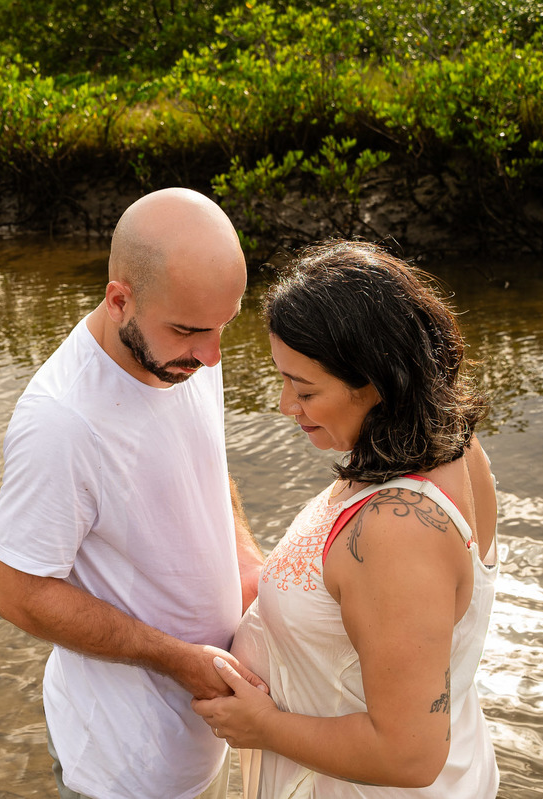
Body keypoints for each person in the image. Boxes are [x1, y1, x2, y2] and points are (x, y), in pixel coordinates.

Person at [194, 240, 500, 798]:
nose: (287, 405)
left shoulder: (398, 530)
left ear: (374, 383)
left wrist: (261, 727)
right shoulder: (449, 445)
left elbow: (408, 755)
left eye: (305, 388)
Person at [0, 187, 266, 799]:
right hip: (124, 769)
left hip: (203, 747)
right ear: (120, 299)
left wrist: (246, 561)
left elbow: (205, 467)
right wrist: (176, 658)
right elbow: (19, 593)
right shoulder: (62, 422)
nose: (213, 355)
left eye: (225, 327)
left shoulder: (186, 353)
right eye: (192, 331)